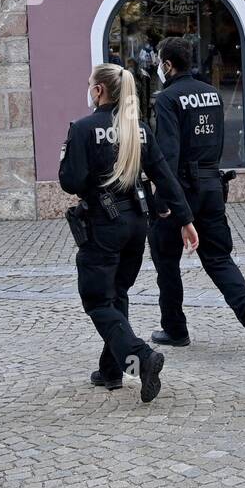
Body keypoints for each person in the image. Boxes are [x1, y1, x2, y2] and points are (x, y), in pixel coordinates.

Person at [59, 63, 199, 403]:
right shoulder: (138, 129)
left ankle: (143, 358)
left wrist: (69, 156)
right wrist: (185, 219)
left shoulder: (83, 128)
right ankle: (112, 370)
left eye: (90, 83)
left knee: (96, 300)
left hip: (104, 226)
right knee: (117, 292)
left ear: (98, 91)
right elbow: (165, 176)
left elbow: (71, 182)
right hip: (138, 224)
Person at [148, 37, 245, 353]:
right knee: (217, 257)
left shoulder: (167, 99)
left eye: (160, 62)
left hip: (180, 189)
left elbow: (168, 154)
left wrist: (162, 201)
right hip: (212, 183)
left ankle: (175, 329)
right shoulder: (213, 94)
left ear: (168, 65)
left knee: (167, 260)